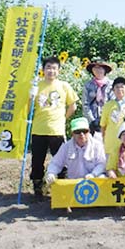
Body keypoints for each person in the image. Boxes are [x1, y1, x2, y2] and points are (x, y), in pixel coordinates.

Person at [30, 56, 78, 201]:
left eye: (54, 68)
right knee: (37, 161)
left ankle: (62, 189)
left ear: (58, 70)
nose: (51, 71)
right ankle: (38, 189)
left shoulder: (64, 86)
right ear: (43, 70)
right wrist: (30, 97)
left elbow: (73, 106)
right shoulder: (36, 86)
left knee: (62, 161)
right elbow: (27, 109)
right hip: (38, 129)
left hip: (57, 131)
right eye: (48, 68)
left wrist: (63, 118)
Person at [44, 117, 106, 183]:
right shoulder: (66, 147)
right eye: (78, 132)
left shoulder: (97, 145)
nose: (81, 134)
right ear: (72, 133)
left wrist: (93, 174)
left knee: (102, 178)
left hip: (94, 180)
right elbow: (55, 163)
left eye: (84, 131)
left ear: (89, 131)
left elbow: (102, 164)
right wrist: (51, 173)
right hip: (74, 183)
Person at [81, 59, 114, 136]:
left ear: (105, 70)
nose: (98, 70)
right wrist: (92, 120)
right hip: (92, 121)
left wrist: (105, 119)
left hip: (108, 120)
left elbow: (113, 103)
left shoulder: (111, 85)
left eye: (100, 68)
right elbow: (85, 104)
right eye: (95, 68)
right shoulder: (88, 85)